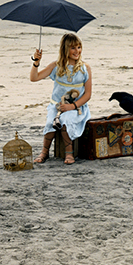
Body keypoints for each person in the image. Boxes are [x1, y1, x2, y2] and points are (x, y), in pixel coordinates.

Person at [29, 32, 92, 165]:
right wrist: (36, 62)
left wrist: (72, 106)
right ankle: (44, 152)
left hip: (76, 108)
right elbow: (34, 78)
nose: (77, 51)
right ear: (65, 49)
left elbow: (87, 95)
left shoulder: (85, 69)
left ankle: (69, 153)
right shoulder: (56, 66)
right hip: (56, 106)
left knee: (65, 120)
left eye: (79, 47)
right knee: (50, 123)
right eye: (73, 48)